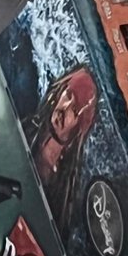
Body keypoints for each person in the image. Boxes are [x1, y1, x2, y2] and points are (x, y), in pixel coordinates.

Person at [28, 65, 98, 233]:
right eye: (68, 95)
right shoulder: (26, 126)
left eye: (74, 110)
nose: (64, 108)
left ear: (78, 128)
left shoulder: (64, 192)